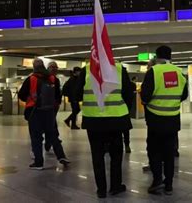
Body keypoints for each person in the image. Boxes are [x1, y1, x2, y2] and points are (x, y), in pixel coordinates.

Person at [75, 62, 133, 199]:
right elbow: (128, 94)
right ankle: (115, 186)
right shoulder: (119, 69)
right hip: (116, 119)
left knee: (97, 155)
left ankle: (101, 190)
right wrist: (125, 111)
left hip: (93, 120)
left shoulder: (87, 70)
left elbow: (77, 94)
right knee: (116, 155)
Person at [141, 45, 188, 195]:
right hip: (173, 118)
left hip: (155, 118)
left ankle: (157, 181)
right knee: (169, 153)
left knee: (154, 150)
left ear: (156, 56)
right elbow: (184, 95)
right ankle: (169, 184)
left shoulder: (154, 71)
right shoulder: (179, 72)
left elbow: (145, 96)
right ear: (170, 56)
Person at [18, 59, 69, 170]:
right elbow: (57, 95)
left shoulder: (31, 79)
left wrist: (30, 98)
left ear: (34, 67)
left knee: (36, 137)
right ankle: (61, 156)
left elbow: (21, 95)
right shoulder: (52, 78)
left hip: (35, 111)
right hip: (49, 112)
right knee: (53, 135)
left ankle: (39, 162)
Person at [44, 61, 64, 152]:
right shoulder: (45, 79)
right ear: (48, 68)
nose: (54, 69)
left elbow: (57, 92)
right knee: (50, 123)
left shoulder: (56, 80)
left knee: (51, 122)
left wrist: (58, 102)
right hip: (46, 105)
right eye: (52, 67)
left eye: (56, 67)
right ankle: (51, 140)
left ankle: (51, 140)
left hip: (54, 105)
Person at [123, 77, 137, 154]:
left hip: (115, 112)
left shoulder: (116, 85)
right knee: (126, 130)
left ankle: (108, 146)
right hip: (126, 111)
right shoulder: (131, 85)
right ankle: (127, 145)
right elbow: (131, 97)